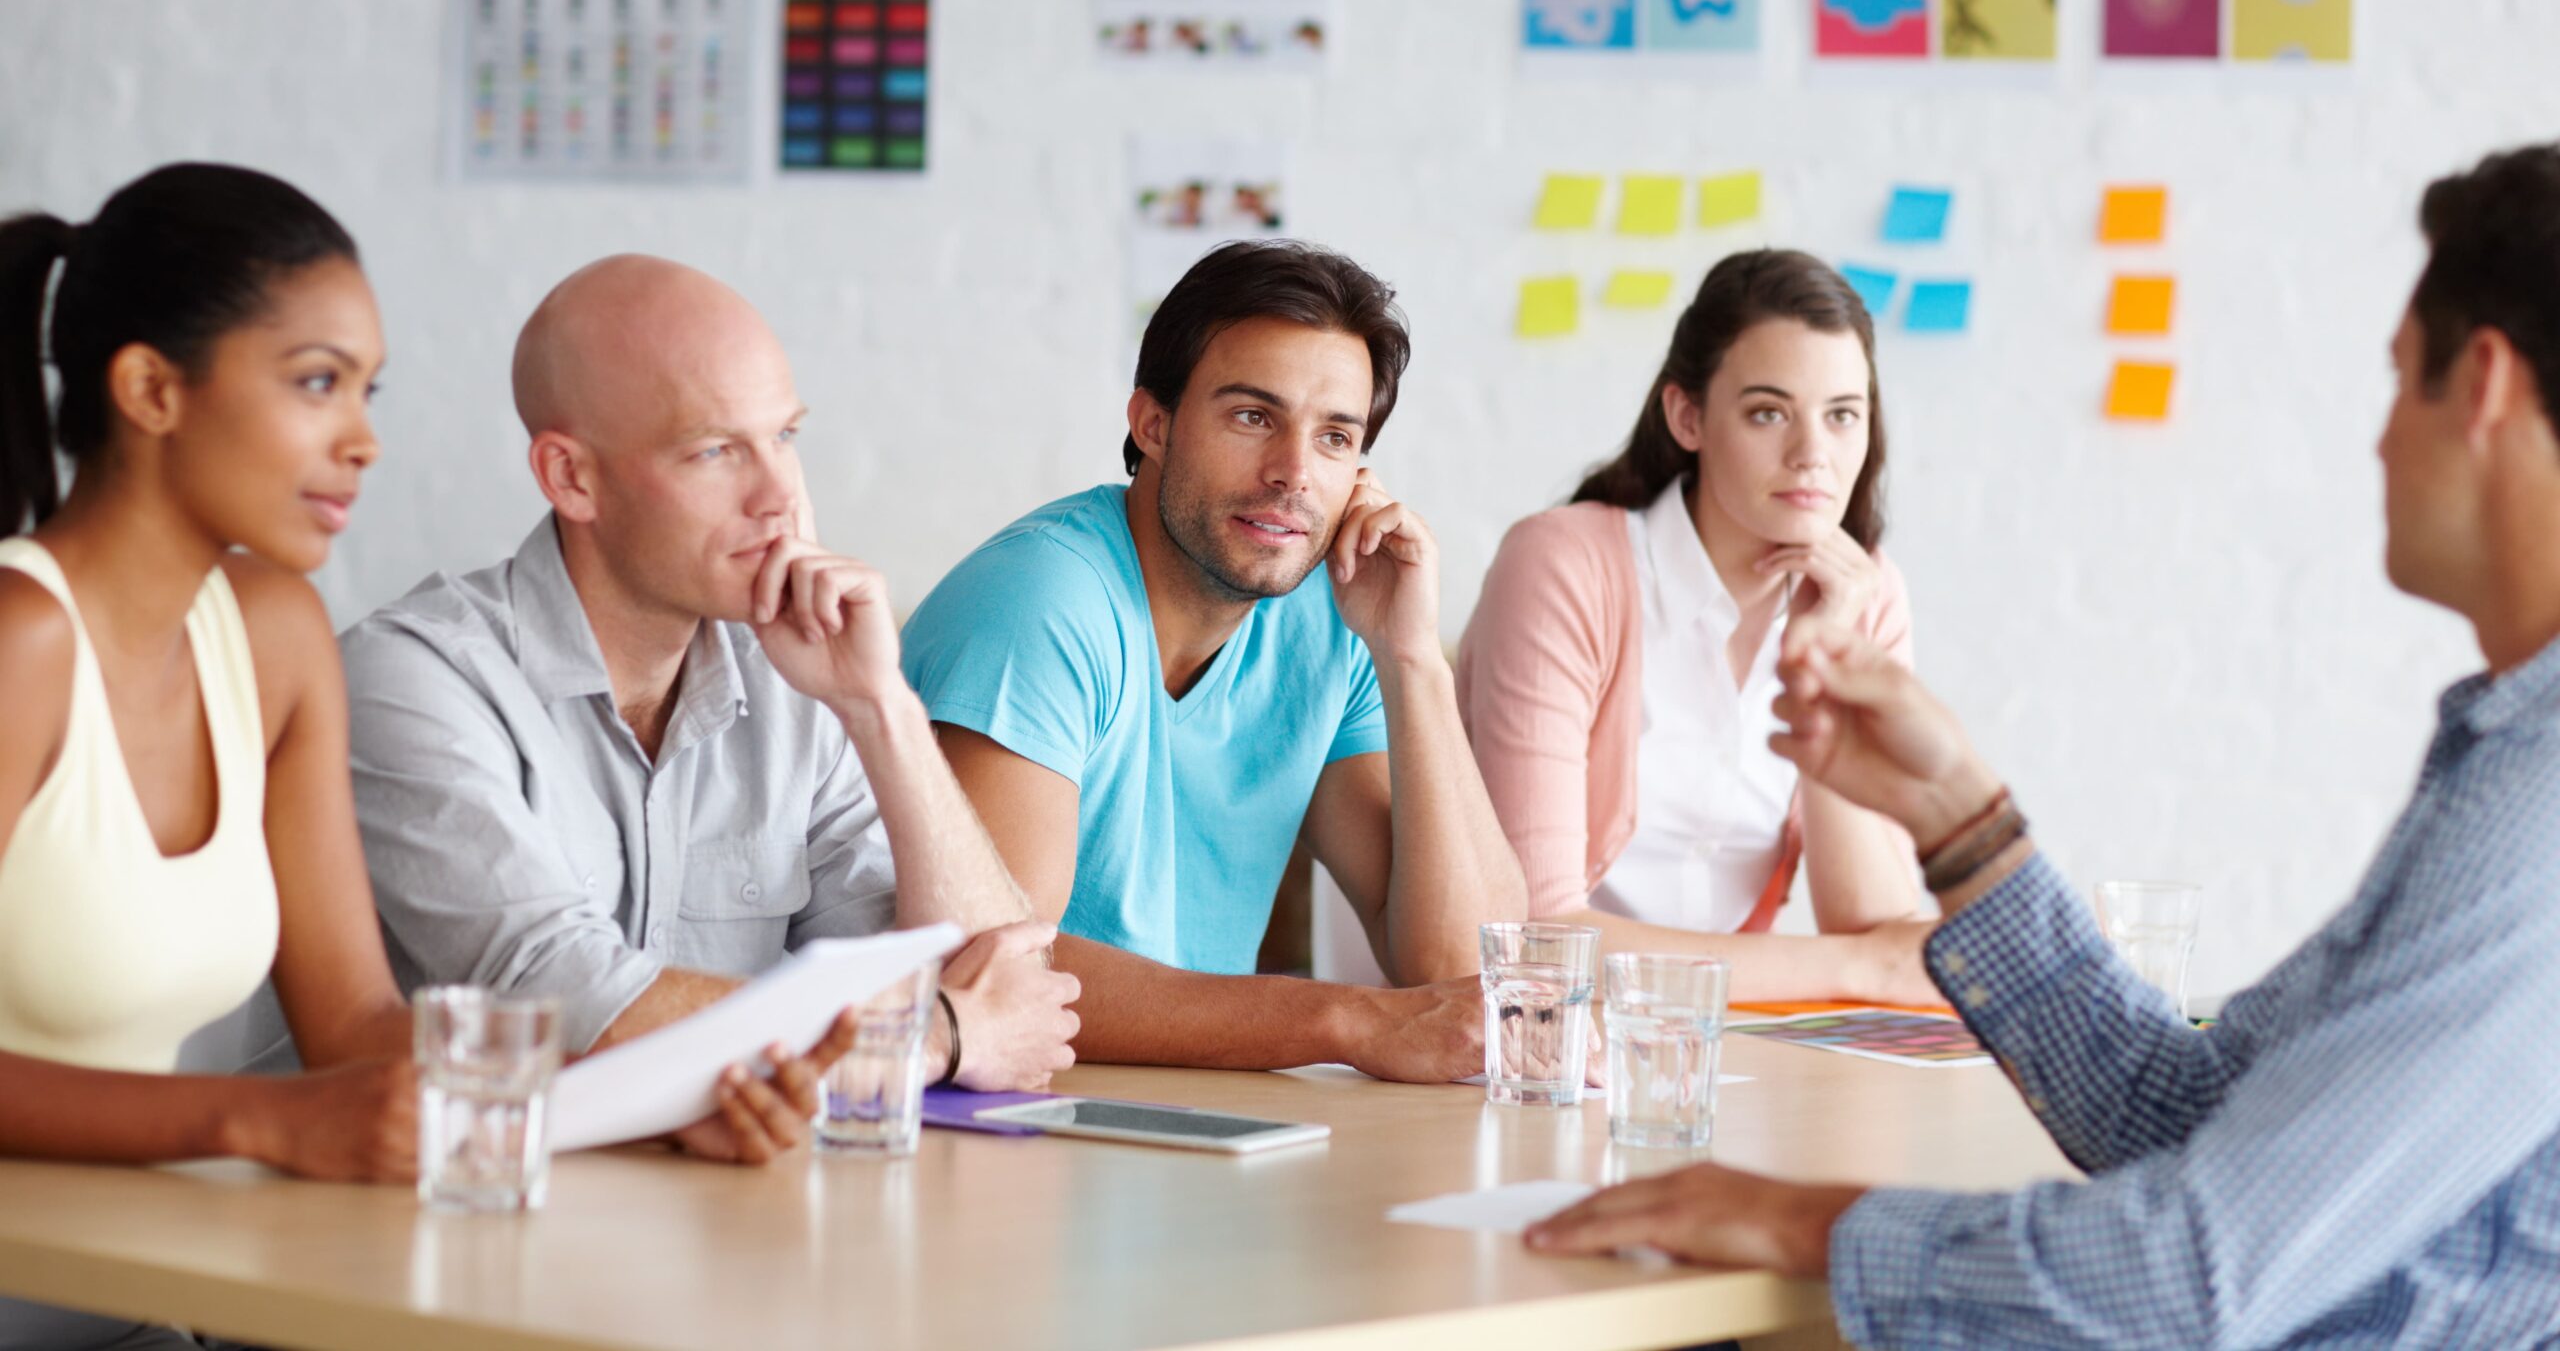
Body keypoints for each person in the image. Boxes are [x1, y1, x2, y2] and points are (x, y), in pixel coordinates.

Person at [1525, 146, 2560, 1347]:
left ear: (2479, 383)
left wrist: (1806, 1222)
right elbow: (2176, 1103)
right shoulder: (2499, 753)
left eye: (2396, 383)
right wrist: (1963, 822)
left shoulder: (2535, 810)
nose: (2378, 441)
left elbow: (2183, 1275)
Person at [0, 169, 827, 1351]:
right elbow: (302, 1094)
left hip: (152, 1303)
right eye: (316, 383)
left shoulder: (276, 632)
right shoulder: (21, 635)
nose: (364, 439)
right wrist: (257, 1121)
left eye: (367, 389)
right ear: (150, 390)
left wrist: (638, 1109)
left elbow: (357, 1025)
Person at [341, 255, 1078, 1101]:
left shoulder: (800, 682)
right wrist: (929, 1038)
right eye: (716, 450)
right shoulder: (413, 678)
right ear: (571, 477)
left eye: (786, 437)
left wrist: (882, 709)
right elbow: (575, 1008)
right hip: (450, 1211)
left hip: (720, 1207)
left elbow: (998, 984)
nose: (779, 496)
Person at [900, 240, 1527, 1078]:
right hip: (1000, 1118)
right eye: (1252, 417)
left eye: (1334, 437)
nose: (1293, 474)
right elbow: (1001, 972)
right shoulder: (1040, 602)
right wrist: (1344, 1019)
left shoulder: (1334, 618)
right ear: (1152, 424)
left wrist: (1410, 656)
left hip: (1186, 1119)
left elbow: (1468, 969)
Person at [1455, 250, 1937, 1005]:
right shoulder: (1564, 564)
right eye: (1768, 412)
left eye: (1843, 414)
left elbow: (1875, 918)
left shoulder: (1865, 594)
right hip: (1530, 1052)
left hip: (1714, 1045)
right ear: (1688, 417)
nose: (1814, 454)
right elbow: (1538, 938)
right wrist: (1850, 967)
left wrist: (1828, 667)